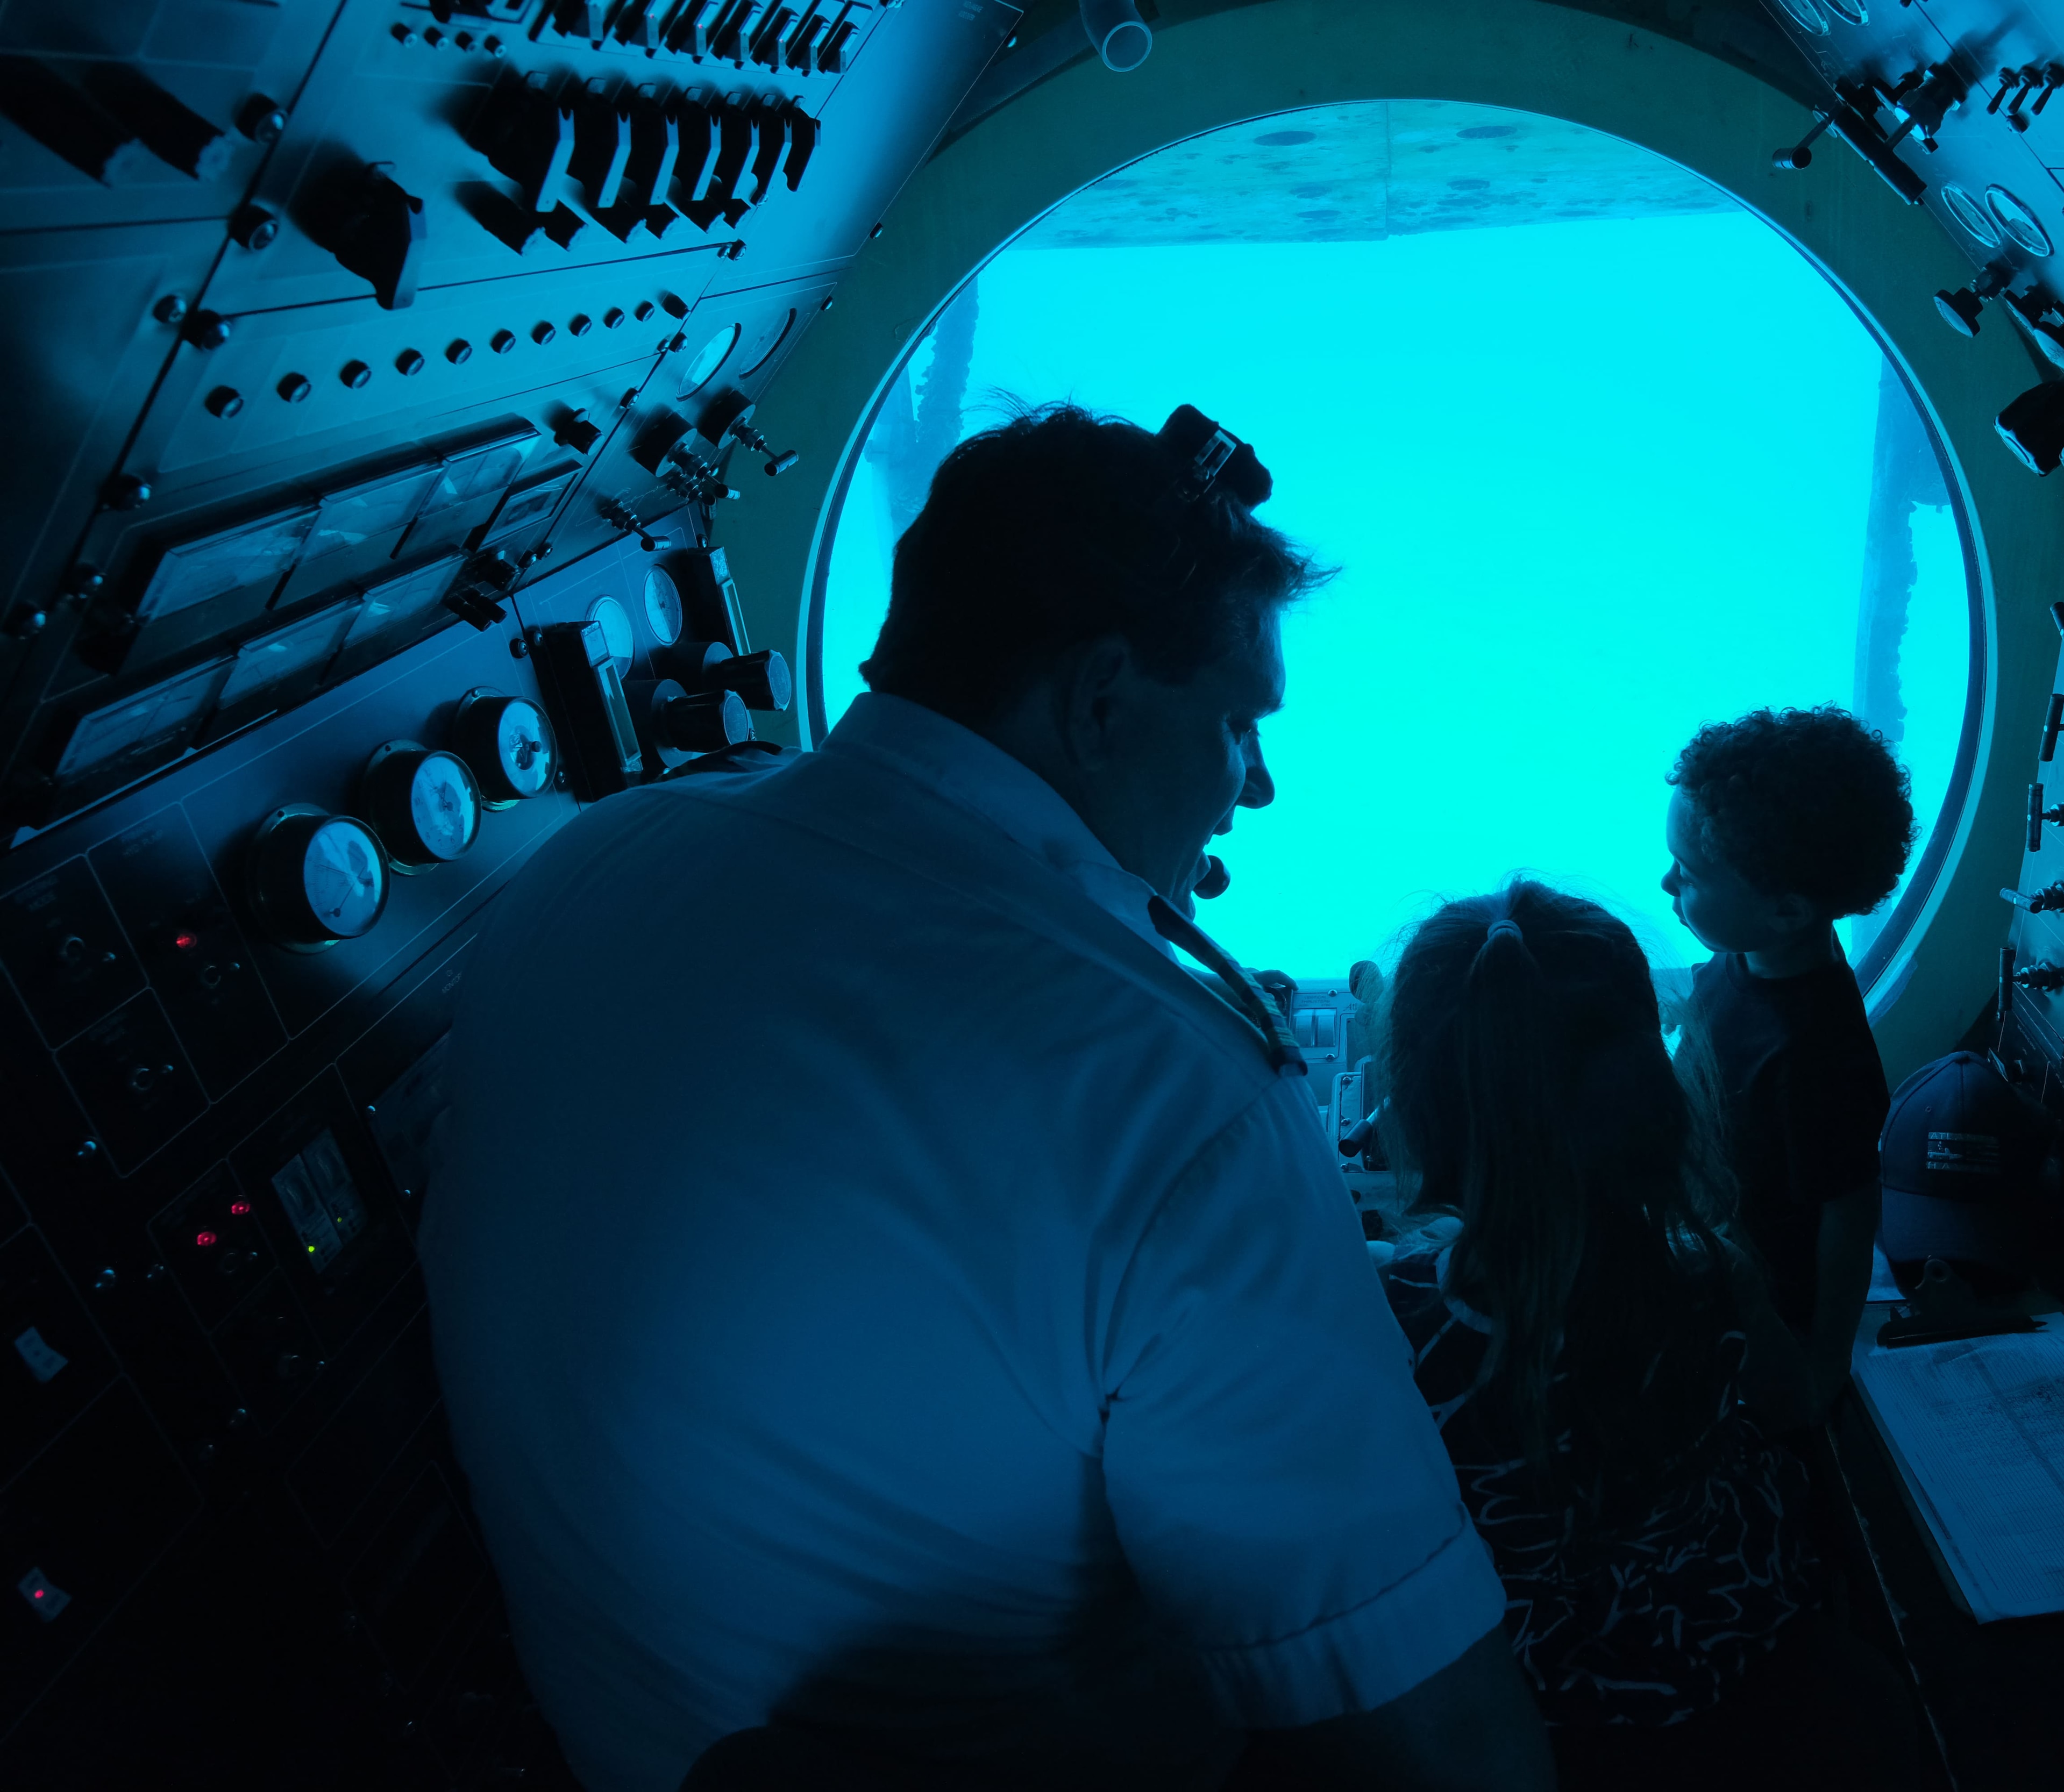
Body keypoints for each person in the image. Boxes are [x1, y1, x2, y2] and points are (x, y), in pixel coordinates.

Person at [421, 404, 1552, 1792]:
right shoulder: (1173, 1098)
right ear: (1100, 700)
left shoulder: (588, 862)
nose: (1256, 787)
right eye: (1239, 723)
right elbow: (1445, 1749)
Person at [1368, 881, 1818, 1748]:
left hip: (1534, 1685)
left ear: (1422, 1111)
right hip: (1730, 1626)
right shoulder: (1714, 1275)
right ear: (1650, 1095)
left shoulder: (1396, 1326)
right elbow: (1793, 1402)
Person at [1662, 706, 1914, 1428]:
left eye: (1690, 874)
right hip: (1704, 1221)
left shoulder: (1816, 1055)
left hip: (1755, 1296)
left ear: (1786, 912)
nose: (1666, 882)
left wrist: (1822, 1366)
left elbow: (1850, 1212)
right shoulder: (1748, 953)